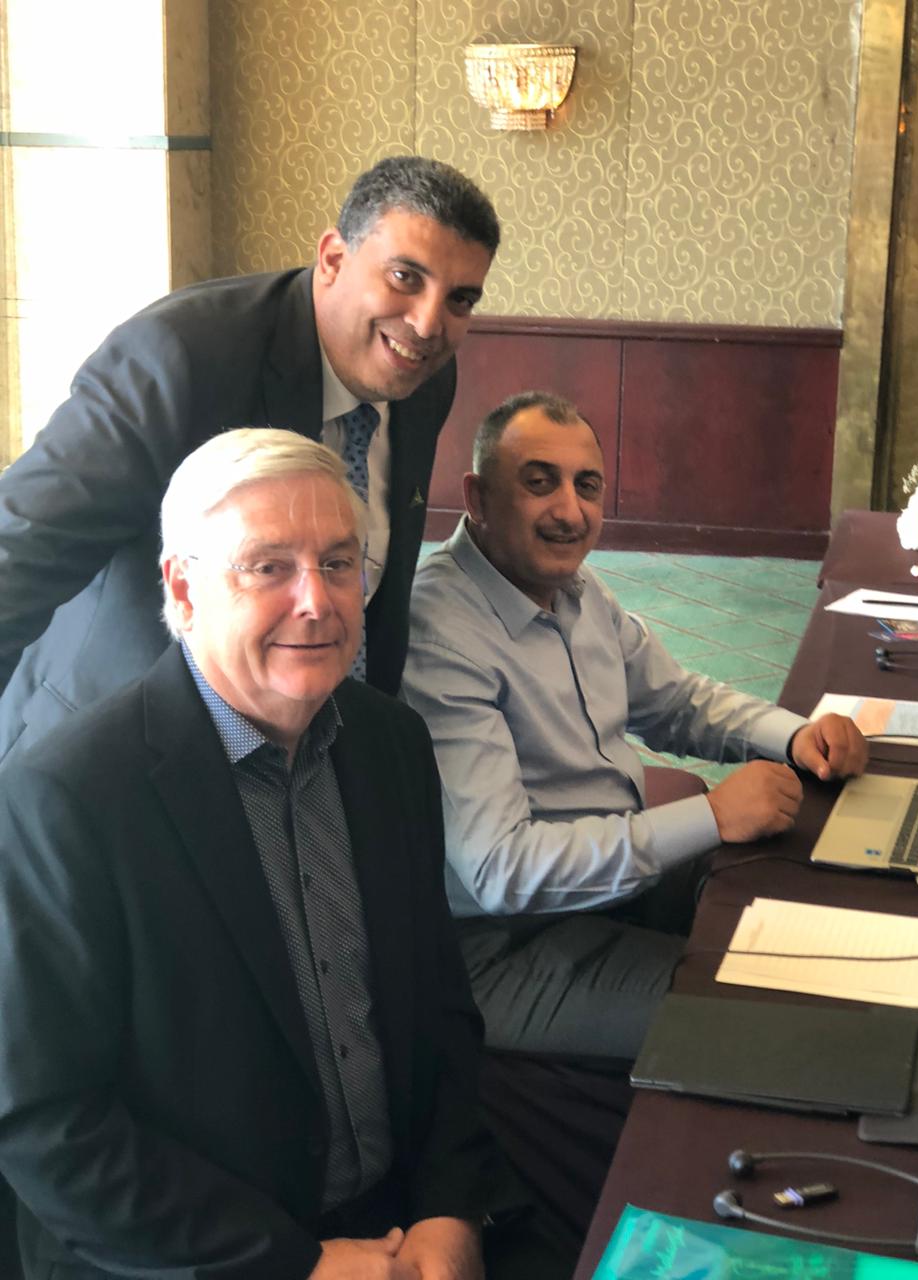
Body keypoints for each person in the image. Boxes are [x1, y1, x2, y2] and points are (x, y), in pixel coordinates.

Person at [0, 428, 572, 1280]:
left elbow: (440, 1008)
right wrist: (294, 1265)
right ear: (183, 588)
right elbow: (46, 1123)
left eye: (338, 563)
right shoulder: (66, 798)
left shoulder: (392, 745)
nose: (317, 601)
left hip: (401, 1227)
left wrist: (452, 1207)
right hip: (198, 1254)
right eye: (268, 567)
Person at [402, 391, 868, 1062]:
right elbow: (502, 871)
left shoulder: (580, 591)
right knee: (765, 1015)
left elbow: (674, 702)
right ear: (477, 497)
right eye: (539, 483)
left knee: (804, 889)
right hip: (504, 942)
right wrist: (711, 816)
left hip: (608, 879)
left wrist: (795, 735)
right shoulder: (442, 633)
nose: (570, 512)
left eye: (587, 486)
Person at [0, 154, 498, 763]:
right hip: (118, 747)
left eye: (460, 299)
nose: (427, 322)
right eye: (404, 277)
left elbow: (382, 578)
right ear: (333, 258)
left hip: (305, 742)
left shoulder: (425, 377)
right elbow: (19, 550)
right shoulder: (179, 359)